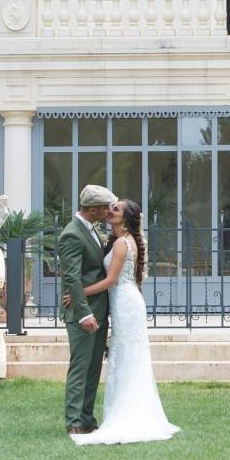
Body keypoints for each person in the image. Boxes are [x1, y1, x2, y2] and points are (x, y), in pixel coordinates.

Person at [66, 198, 180, 446]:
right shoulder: (120, 241)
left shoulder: (121, 244)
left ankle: (129, 415)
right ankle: (129, 411)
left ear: (126, 218)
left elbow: (111, 281)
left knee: (127, 358)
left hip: (126, 304)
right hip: (123, 303)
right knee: (126, 358)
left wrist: (78, 293)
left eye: (115, 209)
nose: (109, 211)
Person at [59, 184, 115, 436]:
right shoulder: (72, 234)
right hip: (84, 313)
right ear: (93, 209)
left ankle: (87, 418)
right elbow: (71, 277)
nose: (108, 212)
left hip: (100, 309)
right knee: (81, 367)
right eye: (105, 208)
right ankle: (73, 422)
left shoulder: (92, 230)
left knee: (94, 368)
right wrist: (84, 313)